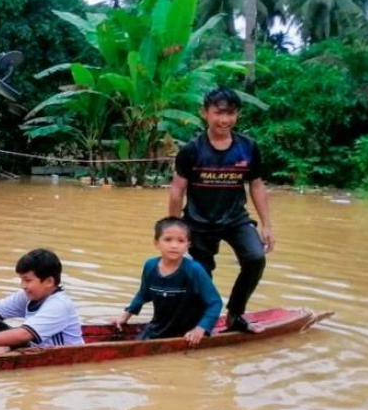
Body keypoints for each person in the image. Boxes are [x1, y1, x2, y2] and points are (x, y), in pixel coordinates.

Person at [169, 87, 275, 333]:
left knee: (255, 258)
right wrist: (175, 228)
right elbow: (177, 190)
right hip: (198, 222)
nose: (224, 120)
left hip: (236, 219)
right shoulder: (192, 150)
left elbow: (257, 185)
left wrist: (267, 225)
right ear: (205, 113)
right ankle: (199, 322)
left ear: (237, 115)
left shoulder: (248, 148)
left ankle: (235, 314)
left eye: (231, 113)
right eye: (218, 113)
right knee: (202, 274)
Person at [0, 249, 84, 357]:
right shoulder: (28, 295)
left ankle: (5, 365)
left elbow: (23, 335)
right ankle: (3, 360)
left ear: (49, 282)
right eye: (21, 280)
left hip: (59, 356)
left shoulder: (59, 304)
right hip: (35, 349)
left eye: (27, 280)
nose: (23, 285)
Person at [111, 218, 223, 345]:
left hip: (187, 333)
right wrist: (124, 316)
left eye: (181, 241)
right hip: (158, 328)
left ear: (188, 245)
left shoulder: (194, 270)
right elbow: (143, 294)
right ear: (156, 243)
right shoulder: (150, 266)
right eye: (168, 239)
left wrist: (201, 328)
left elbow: (215, 303)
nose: (174, 245)